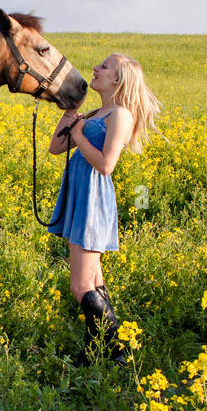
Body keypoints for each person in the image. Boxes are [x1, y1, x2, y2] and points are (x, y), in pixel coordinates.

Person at [47, 53, 163, 365]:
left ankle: (119, 352)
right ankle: (94, 351)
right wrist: (72, 113)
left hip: (93, 199)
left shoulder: (120, 115)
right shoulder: (97, 111)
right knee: (94, 283)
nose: (95, 68)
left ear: (118, 80)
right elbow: (55, 147)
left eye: (105, 66)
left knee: (80, 286)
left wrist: (80, 135)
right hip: (80, 193)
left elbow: (106, 165)